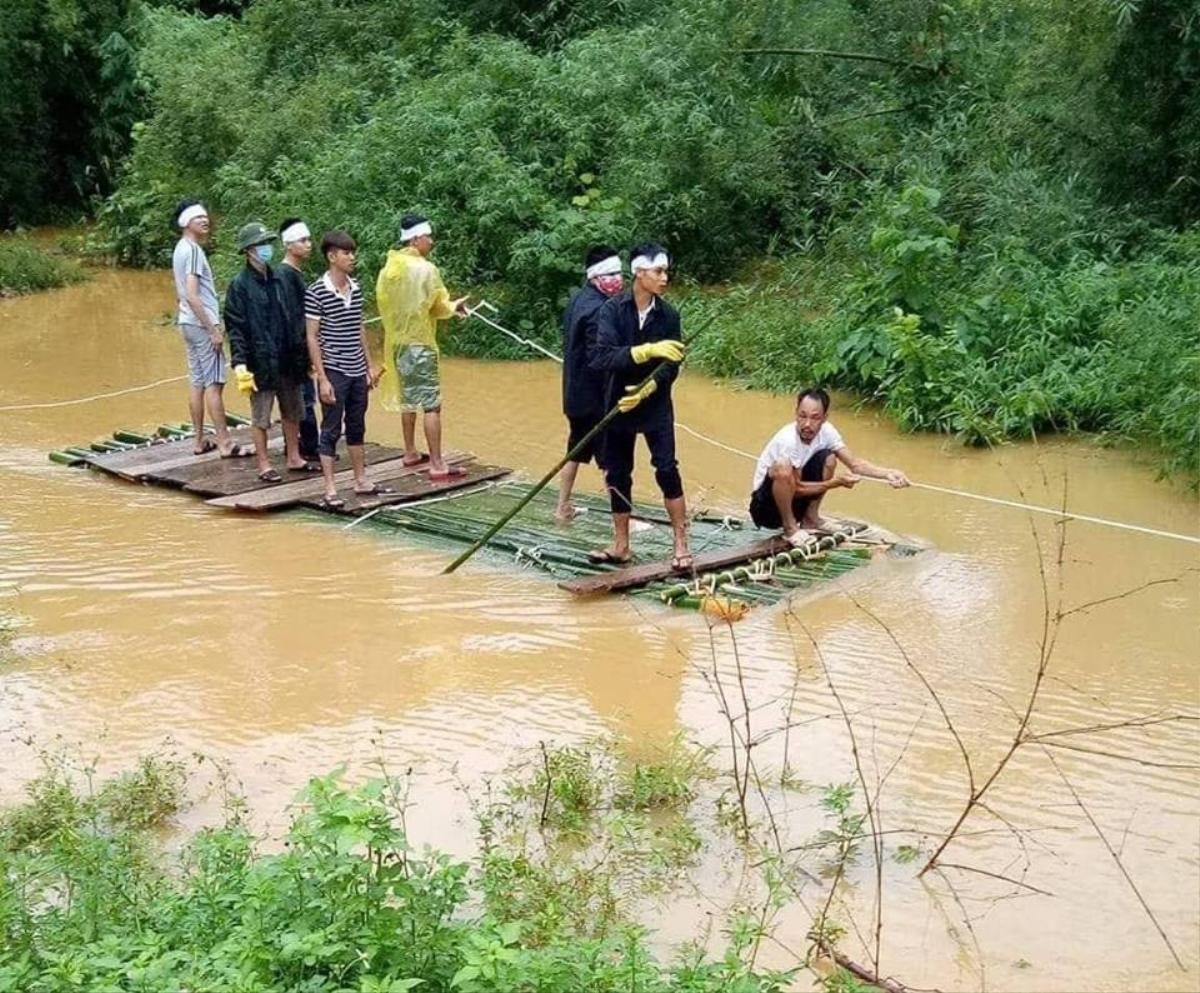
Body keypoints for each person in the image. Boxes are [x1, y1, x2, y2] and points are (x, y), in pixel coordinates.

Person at [588, 242, 691, 570]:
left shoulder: (668, 314)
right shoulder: (612, 311)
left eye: (665, 271)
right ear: (639, 272)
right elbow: (602, 356)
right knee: (618, 471)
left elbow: (672, 364)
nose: (664, 278)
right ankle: (621, 544)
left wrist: (649, 388)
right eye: (658, 271)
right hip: (619, 400)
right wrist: (646, 351)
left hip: (656, 404)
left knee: (666, 468)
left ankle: (680, 543)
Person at [750, 387, 910, 543]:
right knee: (783, 465)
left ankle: (810, 519)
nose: (807, 424)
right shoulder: (787, 440)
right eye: (802, 416)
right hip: (766, 509)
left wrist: (888, 473)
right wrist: (835, 483)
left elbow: (855, 464)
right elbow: (796, 488)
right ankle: (790, 528)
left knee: (829, 458)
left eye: (815, 418)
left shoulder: (827, 432)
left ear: (825, 418)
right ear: (796, 414)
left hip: (794, 501)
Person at [375, 213, 468, 480]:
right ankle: (438, 463)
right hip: (420, 344)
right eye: (428, 236)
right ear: (416, 238)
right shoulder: (426, 270)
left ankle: (410, 452)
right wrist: (454, 307)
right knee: (430, 405)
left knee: (408, 400)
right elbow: (436, 305)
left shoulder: (388, 270)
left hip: (398, 344)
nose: (431, 241)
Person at [223, 221, 314, 482]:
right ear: (249, 250)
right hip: (260, 361)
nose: (266, 249)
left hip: (288, 357)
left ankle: (294, 457)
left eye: (268, 244)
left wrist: (305, 355)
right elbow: (236, 326)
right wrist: (240, 362)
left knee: (293, 410)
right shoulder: (240, 285)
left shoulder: (279, 279)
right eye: (261, 245)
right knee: (261, 415)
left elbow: (294, 318)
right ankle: (264, 464)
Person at [304, 230, 385, 509]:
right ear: (332, 256)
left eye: (352, 252)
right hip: (334, 369)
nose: (352, 257)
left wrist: (368, 365)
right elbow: (312, 336)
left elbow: (359, 327)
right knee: (330, 428)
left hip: (355, 369)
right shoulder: (316, 292)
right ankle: (330, 487)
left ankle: (360, 479)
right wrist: (322, 377)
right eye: (346, 253)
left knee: (356, 424)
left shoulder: (356, 287)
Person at [170, 199, 246, 457]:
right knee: (214, 383)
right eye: (198, 218)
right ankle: (225, 443)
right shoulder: (191, 250)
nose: (205, 221)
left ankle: (199, 440)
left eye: (205, 217)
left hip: (186, 322)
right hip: (201, 324)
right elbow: (192, 294)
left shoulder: (180, 248)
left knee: (197, 382)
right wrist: (213, 328)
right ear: (186, 223)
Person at [555, 245, 624, 522]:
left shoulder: (578, 300)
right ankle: (622, 516)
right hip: (596, 399)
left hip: (575, 395)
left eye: (620, 273)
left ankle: (562, 506)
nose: (617, 279)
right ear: (597, 277)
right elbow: (600, 359)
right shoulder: (598, 309)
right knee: (613, 459)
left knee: (576, 450)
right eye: (611, 274)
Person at [276, 216, 320, 461]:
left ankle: (307, 446)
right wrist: (303, 350)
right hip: (293, 353)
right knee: (303, 400)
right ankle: (308, 448)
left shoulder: (294, 274)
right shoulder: (285, 276)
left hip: (300, 349)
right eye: (303, 240)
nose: (308, 244)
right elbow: (291, 319)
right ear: (289, 245)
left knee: (305, 398)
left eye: (309, 239)